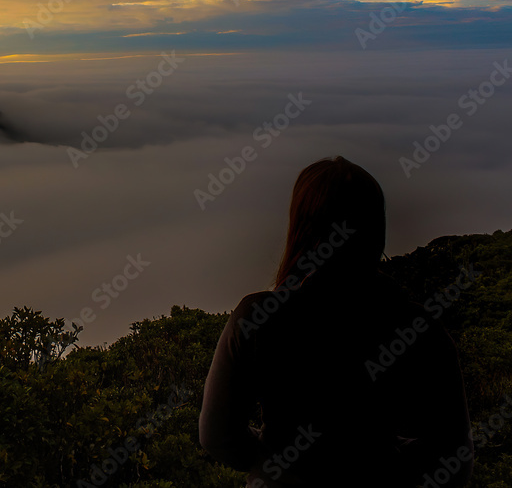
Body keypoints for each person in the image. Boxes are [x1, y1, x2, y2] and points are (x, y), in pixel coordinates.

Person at [199, 156, 473, 486]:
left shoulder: (256, 317)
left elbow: (217, 437)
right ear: (376, 230)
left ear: (300, 226)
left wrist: (274, 458)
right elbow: (454, 457)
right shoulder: (419, 327)